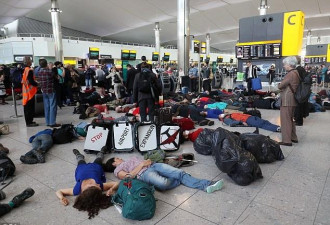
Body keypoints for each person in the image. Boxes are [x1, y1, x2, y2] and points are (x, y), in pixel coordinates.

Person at [56, 148, 119, 219]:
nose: (98, 184)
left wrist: (61, 197)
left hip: (81, 168)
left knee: (80, 160)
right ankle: (102, 151)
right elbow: (116, 183)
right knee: (99, 158)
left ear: (87, 187)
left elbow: (59, 191)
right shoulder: (99, 187)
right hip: (96, 167)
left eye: (96, 185)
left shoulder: (77, 190)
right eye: (98, 185)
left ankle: (78, 154)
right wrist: (112, 189)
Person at [106, 156, 224, 193]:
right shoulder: (118, 170)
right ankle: (181, 177)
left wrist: (147, 161)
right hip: (144, 174)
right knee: (164, 183)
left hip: (154, 165)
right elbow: (128, 177)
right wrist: (142, 165)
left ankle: (207, 185)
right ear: (114, 163)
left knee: (178, 172)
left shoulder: (131, 158)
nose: (120, 158)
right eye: (117, 158)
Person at [278, 56, 300, 146]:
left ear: (290, 64)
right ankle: (293, 137)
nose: (284, 66)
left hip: (287, 99)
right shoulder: (296, 72)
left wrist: (279, 84)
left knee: (285, 120)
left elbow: (281, 85)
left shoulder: (290, 74)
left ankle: (287, 140)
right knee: (290, 119)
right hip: (292, 99)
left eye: (285, 64)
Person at [38, 59, 60, 127]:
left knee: (46, 106)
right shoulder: (49, 72)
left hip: (44, 91)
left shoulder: (39, 71)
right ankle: (52, 122)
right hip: (51, 90)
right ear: (46, 64)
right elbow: (57, 78)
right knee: (52, 106)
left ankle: (47, 122)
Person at [22, 56, 38, 127]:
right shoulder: (29, 70)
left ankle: (29, 121)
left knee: (27, 108)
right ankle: (29, 122)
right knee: (30, 108)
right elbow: (31, 81)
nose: (31, 62)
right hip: (30, 92)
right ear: (28, 62)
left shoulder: (25, 69)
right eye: (31, 60)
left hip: (26, 92)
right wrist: (37, 84)